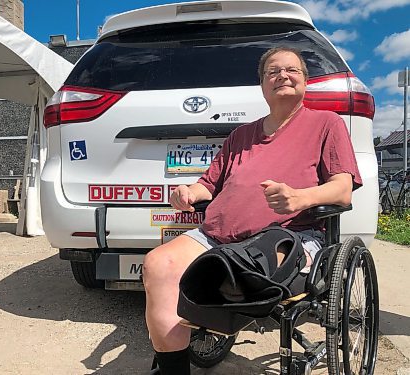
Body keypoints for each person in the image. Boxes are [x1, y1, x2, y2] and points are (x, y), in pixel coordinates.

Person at [142, 47, 362, 374]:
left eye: (292, 70)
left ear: (305, 81)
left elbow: (342, 190)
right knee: (157, 264)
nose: (282, 76)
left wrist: (300, 198)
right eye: (273, 72)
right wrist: (189, 191)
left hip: (289, 236)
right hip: (216, 236)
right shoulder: (240, 135)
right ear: (262, 84)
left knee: (246, 278)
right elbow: (208, 184)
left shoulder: (326, 124)